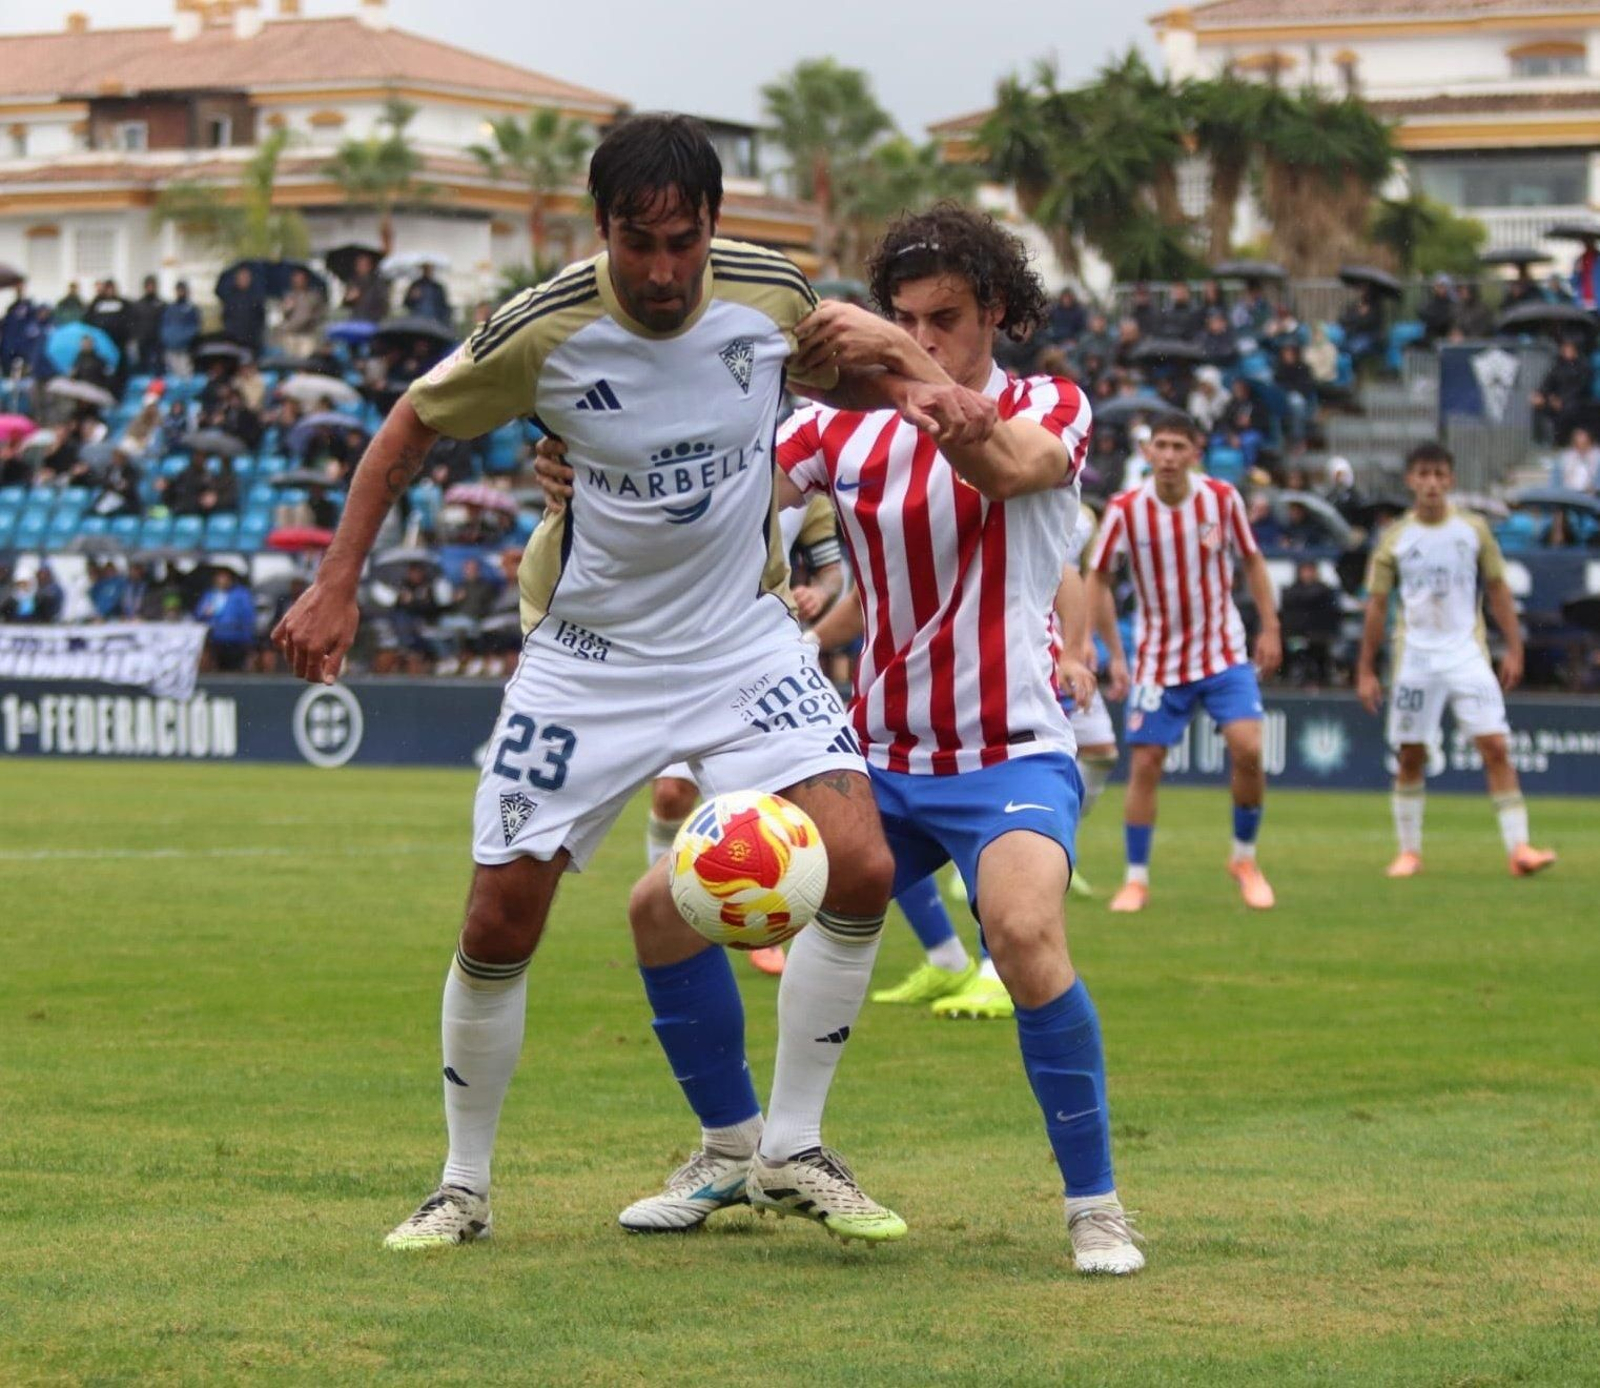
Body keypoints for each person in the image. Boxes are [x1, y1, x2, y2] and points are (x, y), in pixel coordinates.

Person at [273, 113, 970, 1254]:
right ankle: (463, 1184)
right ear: (600, 229)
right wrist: (337, 581)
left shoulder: (770, 295)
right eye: (637, 242)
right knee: (501, 911)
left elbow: (845, 358)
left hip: (743, 637)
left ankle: (791, 1146)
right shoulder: (542, 328)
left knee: (861, 859)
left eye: (682, 242)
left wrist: (923, 380)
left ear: (712, 230)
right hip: (586, 655)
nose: (660, 270)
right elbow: (408, 427)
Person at [636, 490, 847, 978]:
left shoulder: (800, 476)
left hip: (757, 658)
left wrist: (822, 591)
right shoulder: (691, 472)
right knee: (670, 795)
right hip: (677, 654)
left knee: (758, 804)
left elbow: (832, 570)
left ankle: (764, 913)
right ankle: (684, 910)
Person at [1087, 411, 1282, 914]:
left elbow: (1253, 561)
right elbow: (1098, 578)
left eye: (1179, 447)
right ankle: (1135, 879)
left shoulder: (1221, 499)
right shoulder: (1127, 509)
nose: (1169, 457)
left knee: (1248, 748)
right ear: (1148, 453)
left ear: (1196, 454)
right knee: (1146, 763)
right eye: (1161, 446)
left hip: (1222, 651)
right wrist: (1110, 649)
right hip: (1157, 659)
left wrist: (1271, 626)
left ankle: (1244, 858)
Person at [1356, 442, 1557, 878]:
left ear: (1450, 480)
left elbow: (1499, 590)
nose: (1431, 483)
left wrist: (1515, 647)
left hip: (1467, 654)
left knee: (1496, 746)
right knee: (1410, 754)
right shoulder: (1395, 538)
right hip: (1416, 659)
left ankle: (1519, 848)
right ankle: (1409, 852)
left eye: (1438, 475)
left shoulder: (1473, 530)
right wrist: (1366, 669)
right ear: (1411, 480)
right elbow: (1376, 606)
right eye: (1423, 475)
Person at [195, 568, 256, 671]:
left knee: (235, 668)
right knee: (215, 666)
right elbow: (198, 614)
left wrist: (248, 639)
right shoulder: (210, 594)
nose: (221, 581)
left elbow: (248, 617)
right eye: (219, 578)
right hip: (215, 638)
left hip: (236, 638)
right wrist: (205, 613)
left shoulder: (241, 594)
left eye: (224, 578)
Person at [279, 268, 327, 359]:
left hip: (306, 335)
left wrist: (311, 319)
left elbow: (320, 315)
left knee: (305, 361)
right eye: (296, 278)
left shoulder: (313, 297)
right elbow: (284, 315)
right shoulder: (289, 296)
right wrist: (287, 308)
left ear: (306, 280)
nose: (297, 281)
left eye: (300, 278)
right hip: (291, 335)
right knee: (290, 360)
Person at [221, 266, 265, 355]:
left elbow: (260, 319)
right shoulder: (230, 297)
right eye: (241, 277)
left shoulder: (256, 298)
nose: (244, 280)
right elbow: (226, 317)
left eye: (246, 277)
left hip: (251, 341)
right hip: (233, 340)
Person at [161, 281, 201, 377]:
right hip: (171, 348)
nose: (180, 292)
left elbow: (194, 327)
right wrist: (168, 340)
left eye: (182, 290)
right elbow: (165, 326)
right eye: (179, 290)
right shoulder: (170, 308)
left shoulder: (191, 308)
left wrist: (184, 340)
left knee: (185, 374)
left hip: (185, 348)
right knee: (172, 374)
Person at [128, 276, 166, 376]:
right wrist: (136, 336)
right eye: (148, 286)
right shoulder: (138, 304)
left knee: (158, 364)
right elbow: (133, 321)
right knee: (142, 364)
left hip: (158, 340)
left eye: (152, 286)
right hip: (142, 339)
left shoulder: (161, 304)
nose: (150, 288)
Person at [1557, 424, 1600, 491]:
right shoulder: (1566, 457)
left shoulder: (1597, 457)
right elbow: (1559, 481)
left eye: (1584, 444)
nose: (1580, 447)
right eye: (1577, 444)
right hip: (1568, 494)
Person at [1418, 275, 1457, 345]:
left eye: (1442, 286)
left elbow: (1447, 320)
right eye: (1438, 286)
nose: (1440, 289)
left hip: (1445, 337)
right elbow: (1422, 313)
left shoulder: (1452, 304)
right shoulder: (1431, 302)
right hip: (1430, 337)